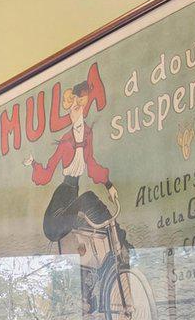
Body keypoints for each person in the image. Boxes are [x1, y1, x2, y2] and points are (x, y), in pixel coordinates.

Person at [26, 80, 127, 254]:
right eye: (72, 109)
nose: (76, 112)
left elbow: (92, 164)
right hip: (56, 215)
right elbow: (47, 173)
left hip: (71, 203)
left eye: (78, 108)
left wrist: (109, 185)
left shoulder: (87, 134)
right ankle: (118, 237)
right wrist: (33, 163)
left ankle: (116, 241)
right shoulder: (65, 141)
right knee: (88, 198)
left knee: (90, 221)